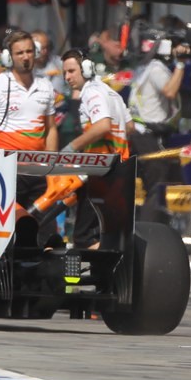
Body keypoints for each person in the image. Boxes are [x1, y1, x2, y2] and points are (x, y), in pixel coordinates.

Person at [0, 29, 59, 220]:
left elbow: (51, 128)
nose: (26, 57)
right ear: (9, 57)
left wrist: (50, 165)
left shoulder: (45, 86)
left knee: (45, 230)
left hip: (38, 170)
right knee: (8, 226)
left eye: (29, 51)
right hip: (7, 170)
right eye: (19, 53)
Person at [61, 48, 131, 248]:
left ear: (86, 69)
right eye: (65, 72)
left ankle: (107, 263)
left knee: (84, 238)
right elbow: (130, 126)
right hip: (119, 170)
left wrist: (71, 147)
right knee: (106, 232)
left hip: (101, 171)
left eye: (72, 71)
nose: (67, 77)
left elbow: (102, 126)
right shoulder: (111, 93)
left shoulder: (92, 93)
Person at [127, 28, 189, 225]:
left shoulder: (143, 68)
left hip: (142, 134)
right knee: (157, 187)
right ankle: (150, 232)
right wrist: (180, 63)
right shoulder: (156, 69)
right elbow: (170, 91)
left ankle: (164, 228)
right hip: (148, 135)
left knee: (166, 182)